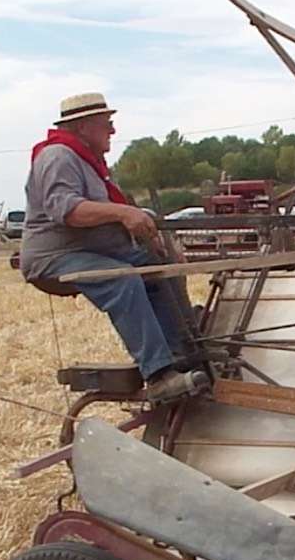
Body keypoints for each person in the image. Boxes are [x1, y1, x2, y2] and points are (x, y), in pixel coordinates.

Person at [20, 92, 205, 401]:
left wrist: (146, 226)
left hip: (88, 250)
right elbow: (67, 211)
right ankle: (159, 375)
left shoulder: (87, 160)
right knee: (122, 278)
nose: (113, 131)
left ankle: (183, 350)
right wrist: (124, 213)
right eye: (107, 124)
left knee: (160, 266)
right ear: (83, 127)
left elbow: (106, 209)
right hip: (55, 257)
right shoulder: (58, 157)